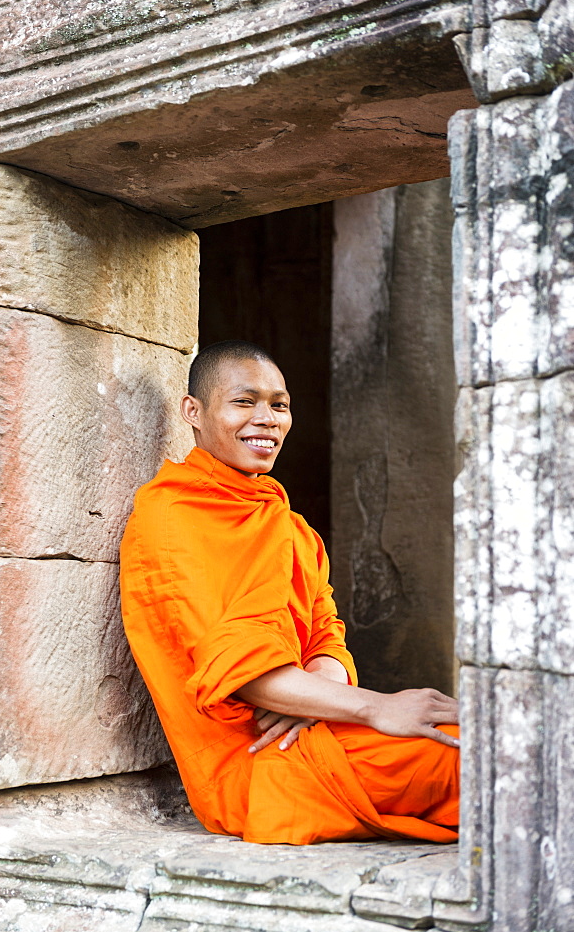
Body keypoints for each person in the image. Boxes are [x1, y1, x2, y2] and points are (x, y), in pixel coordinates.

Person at [119, 340, 459, 845]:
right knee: (474, 761)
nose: (267, 419)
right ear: (194, 411)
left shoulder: (287, 524)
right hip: (257, 762)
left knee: (488, 737)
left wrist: (312, 693)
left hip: (310, 725)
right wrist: (375, 707)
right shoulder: (171, 517)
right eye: (244, 401)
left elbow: (327, 633)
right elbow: (237, 672)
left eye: (279, 405)